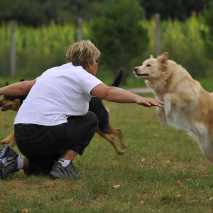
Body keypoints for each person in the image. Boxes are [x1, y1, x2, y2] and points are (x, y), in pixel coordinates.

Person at [0, 40, 162, 179]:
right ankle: (64, 164)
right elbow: (107, 92)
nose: (97, 64)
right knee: (90, 119)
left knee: (47, 167)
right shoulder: (82, 74)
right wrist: (137, 98)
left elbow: (23, 87)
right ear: (90, 61)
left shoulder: (53, 71)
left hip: (21, 135)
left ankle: (13, 160)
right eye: (97, 61)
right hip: (45, 134)